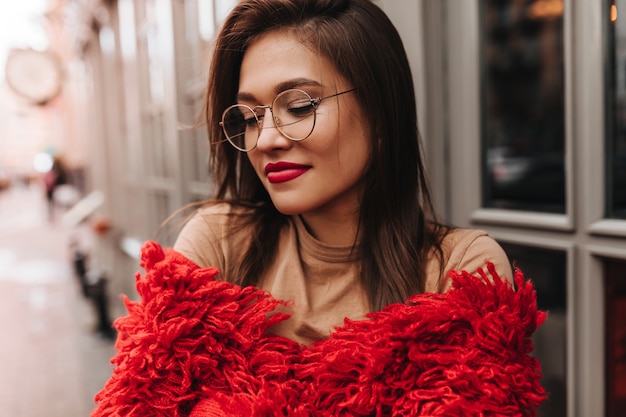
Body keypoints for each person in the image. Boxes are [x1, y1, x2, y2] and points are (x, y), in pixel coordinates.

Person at [93, 1, 545, 415]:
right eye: (250, 117)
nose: (266, 139)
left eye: (300, 105)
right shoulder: (219, 243)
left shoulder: (462, 269)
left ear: (381, 112)